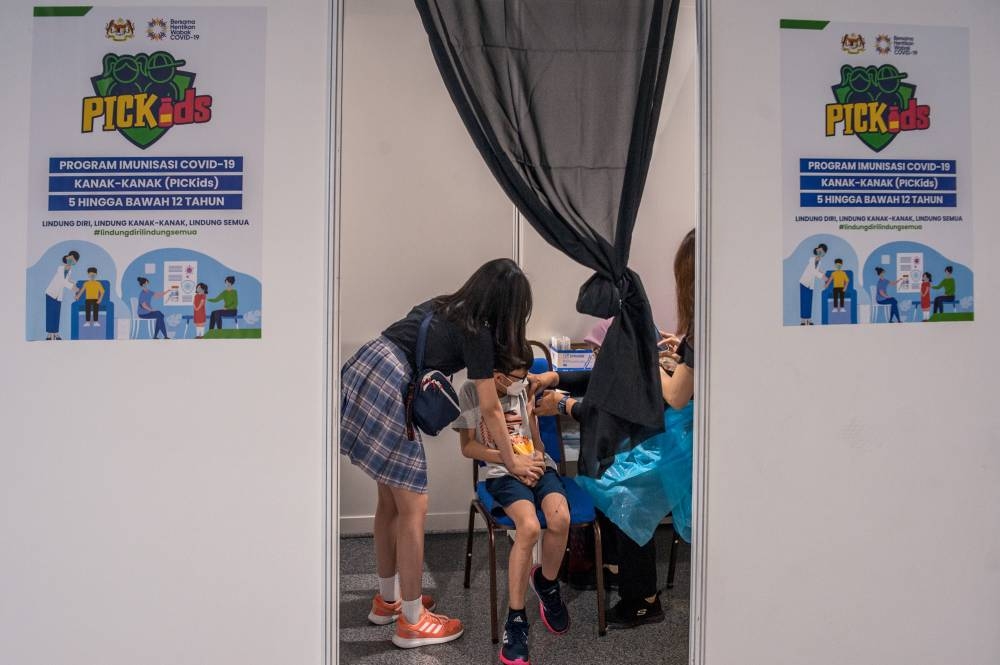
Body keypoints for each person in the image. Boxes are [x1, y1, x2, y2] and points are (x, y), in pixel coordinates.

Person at [340, 258, 554, 649]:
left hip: (367, 366)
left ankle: (388, 601)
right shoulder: (479, 332)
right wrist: (512, 460)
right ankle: (411, 621)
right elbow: (490, 407)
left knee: (389, 499)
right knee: (414, 506)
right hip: (390, 383)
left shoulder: (445, 305)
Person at [537, 229, 696, 629]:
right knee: (606, 476)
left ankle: (643, 598)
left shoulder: (693, 334)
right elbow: (606, 385)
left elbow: (675, 397)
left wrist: (650, 363)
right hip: (672, 431)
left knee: (622, 489)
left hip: (686, 440)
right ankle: (614, 567)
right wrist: (558, 379)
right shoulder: (665, 335)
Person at [454, 354, 569, 665]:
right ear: (496, 374)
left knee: (561, 518)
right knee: (529, 527)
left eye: (524, 376)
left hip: (533, 466)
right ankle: (516, 621)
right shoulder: (470, 391)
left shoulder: (522, 388)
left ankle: (546, 582)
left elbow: (534, 437)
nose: (521, 382)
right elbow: (468, 448)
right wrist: (510, 462)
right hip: (501, 473)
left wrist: (536, 461)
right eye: (516, 377)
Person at [44, 250, 79, 340]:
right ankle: (49, 334)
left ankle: (56, 333)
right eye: (71, 258)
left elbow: (67, 280)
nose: (72, 261)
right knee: (50, 314)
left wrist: (74, 284)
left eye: (74, 260)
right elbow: (63, 281)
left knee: (56, 314)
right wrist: (73, 287)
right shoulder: (60, 268)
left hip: (58, 296)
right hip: (51, 293)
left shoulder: (70, 271)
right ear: (67, 258)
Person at [799, 243, 828, 325]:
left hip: (810, 284)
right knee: (804, 301)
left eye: (823, 252)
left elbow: (817, 270)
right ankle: (803, 320)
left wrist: (823, 274)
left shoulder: (819, 261)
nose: (820, 253)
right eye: (820, 250)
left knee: (809, 301)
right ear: (817, 249)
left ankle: (808, 319)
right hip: (804, 282)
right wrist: (823, 276)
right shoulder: (812, 259)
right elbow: (813, 271)